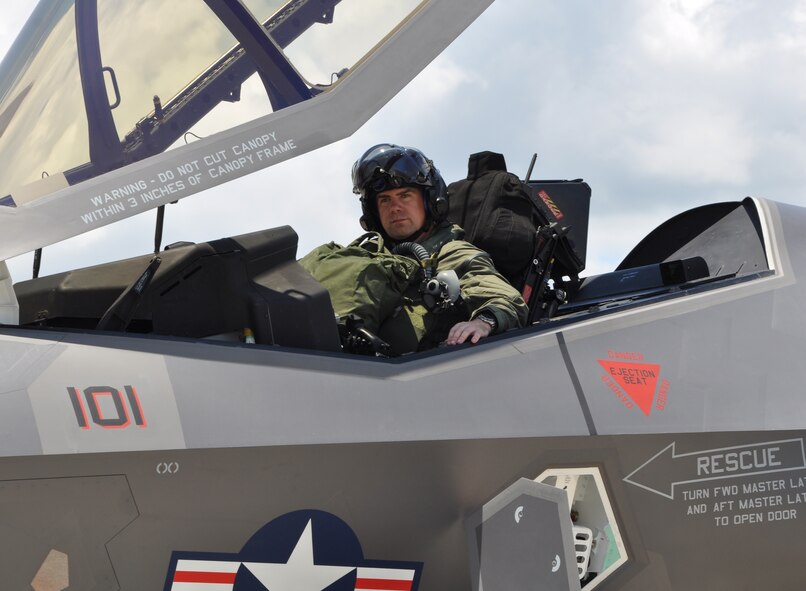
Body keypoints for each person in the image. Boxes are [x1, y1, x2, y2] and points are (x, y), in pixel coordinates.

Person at [350, 143, 527, 354]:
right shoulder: (367, 256)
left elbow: (502, 297)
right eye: (385, 199)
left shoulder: (451, 252)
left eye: (405, 195)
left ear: (430, 201)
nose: (395, 207)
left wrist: (483, 322)